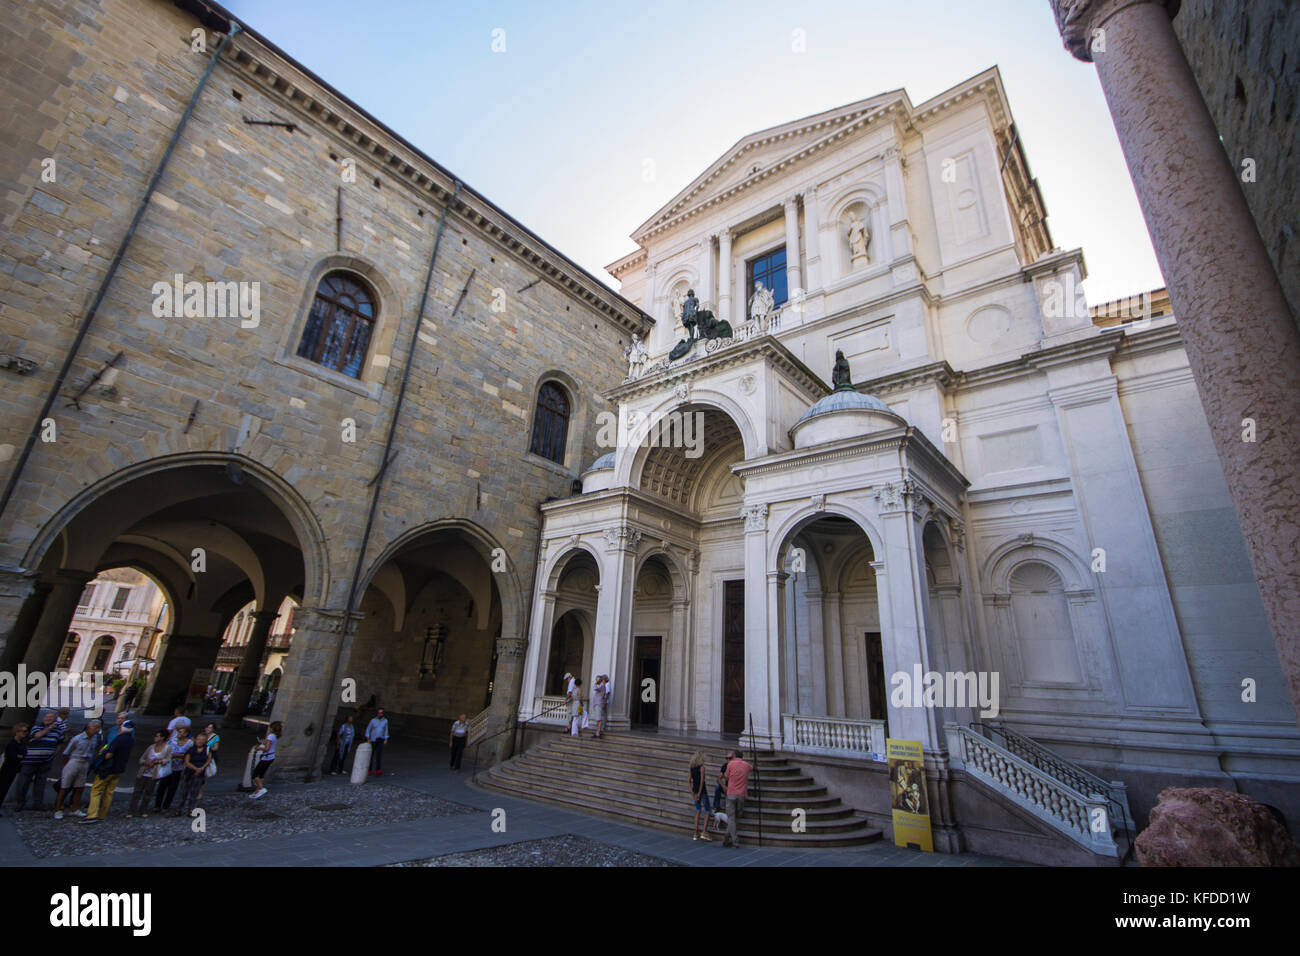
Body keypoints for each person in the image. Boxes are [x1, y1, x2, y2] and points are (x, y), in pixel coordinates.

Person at [81, 719, 134, 824]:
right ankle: (102, 815)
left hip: (108, 769)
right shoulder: (131, 740)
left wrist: (103, 755)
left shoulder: (118, 739)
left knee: (96, 790)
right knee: (109, 792)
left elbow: (109, 754)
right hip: (119, 769)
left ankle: (92, 815)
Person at [13, 711, 63, 811]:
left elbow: (59, 743)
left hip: (46, 761)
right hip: (30, 760)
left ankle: (37, 804)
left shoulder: (58, 731)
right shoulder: (36, 727)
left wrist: (53, 753)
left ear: (55, 719)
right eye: (47, 717)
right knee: (23, 782)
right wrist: (50, 728)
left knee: (40, 783)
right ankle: (20, 802)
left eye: (51, 717)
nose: (48, 719)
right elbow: (37, 736)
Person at [53, 719, 101, 819]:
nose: (97, 730)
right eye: (95, 727)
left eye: (98, 727)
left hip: (85, 762)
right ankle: (58, 809)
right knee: (64, 787)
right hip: (75, 760)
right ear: (88, 728)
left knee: (79, 787)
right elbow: (66, 753)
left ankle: (74, 809)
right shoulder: (77, 739)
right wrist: (66, 766)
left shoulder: (95, 738)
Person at [128, 730, 171, 817]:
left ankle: (143, 810)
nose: (155, 738)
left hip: (154, 774)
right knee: (137, 792)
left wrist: (158, 761)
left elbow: (168, 759)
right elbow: (142, 759)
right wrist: (146, 763)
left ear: (162, 738)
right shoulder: (151, 747)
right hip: (144, 772)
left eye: (157, 736)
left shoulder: (167, 748)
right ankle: (131, 811)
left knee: (148, 793)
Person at [154, 725, 191, 812]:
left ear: (186, 734)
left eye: (181, 732)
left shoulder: (189, 743)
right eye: (178, 732)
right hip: (168, 766)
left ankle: (166, 806)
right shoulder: (172, 741)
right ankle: (157, 805)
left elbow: (189, 755)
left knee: (172, 787)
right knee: (162, 786)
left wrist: (176, 755)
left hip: (178, 768)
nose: (179, 734)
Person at [722, 749, 754, 848]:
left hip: (731, 793)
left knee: (732, 818)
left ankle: (733, 839)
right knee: (736, 816)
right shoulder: (746, 765)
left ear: (735, 756)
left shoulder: (730, 764)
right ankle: (728, 838)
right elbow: (753, 768)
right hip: (741, 794)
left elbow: (726, 777)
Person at [175, 731, 212, 815]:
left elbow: (208, 760)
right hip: (189, 772)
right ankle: (179, 809)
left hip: (200, 773)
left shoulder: (207, 750)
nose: (200, 741)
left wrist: (201, 768)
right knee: (184, 791)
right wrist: (196, 769)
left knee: (195, 792)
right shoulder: (191, 750)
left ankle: (191, 809)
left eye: (202, 739)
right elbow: (187, 762)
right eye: (199, 739)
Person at [0, 723, 29, 813]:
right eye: (24, 731)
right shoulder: (12, 743)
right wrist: (19, 756)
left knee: (5, 789)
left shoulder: (21, 743)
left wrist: (20, 756)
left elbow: (23, 755)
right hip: (7, 769)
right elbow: (12, 756)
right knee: (2, 788)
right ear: (17, 732)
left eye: (26, 731)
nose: (26, 733)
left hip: (14, 769)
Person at [249, 721, 280, 798]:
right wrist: (263, 742)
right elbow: (269, 745)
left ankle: (261, 788)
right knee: (261, 774)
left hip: (266, 757)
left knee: (255, 774)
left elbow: (267, 748)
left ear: (272, 728)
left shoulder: (270, 736)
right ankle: (257, 791)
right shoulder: (275, 736)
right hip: (271, 757)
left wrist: (258, 747)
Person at [689, 751, 713, 841]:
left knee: (698, 810)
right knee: (707, 811)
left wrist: (693, 793)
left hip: (695, 791)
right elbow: (702, 781)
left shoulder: (691, 768)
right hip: (702, 791)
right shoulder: (702, 768)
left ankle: (696, 832)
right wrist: (699, 793)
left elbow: (688, 781)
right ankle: (704, 832)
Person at [365, 709, 389, 776]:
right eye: (379, 713)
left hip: (380, 739)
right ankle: (369, 770)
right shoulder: (373, 720)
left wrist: (386, 738)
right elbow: (368, 729)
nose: (380, 714)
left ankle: (378, 770)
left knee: (379, 755)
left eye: (381, 713)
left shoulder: (385, 721)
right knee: (370, 756)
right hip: (373, 739)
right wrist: (368, 738)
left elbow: (386, 730)